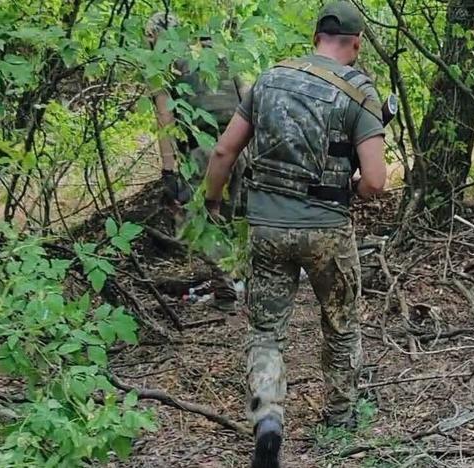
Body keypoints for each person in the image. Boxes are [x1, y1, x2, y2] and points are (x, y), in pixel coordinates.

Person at [203, 2, 386, 466]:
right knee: (341, 325)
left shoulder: (268, 79)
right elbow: (376, 181)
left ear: (315, 37)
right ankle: (341, 418)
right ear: (357, 43)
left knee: (266, 330)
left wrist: (213, 201)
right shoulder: (360, 93)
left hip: (266, 227)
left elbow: (224, 151)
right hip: (326, 230)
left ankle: (267, 416)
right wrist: (350, 187)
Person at [143, 12, 246, 226]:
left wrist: (168, 172)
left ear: (151, 35)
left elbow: (165, 115)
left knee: (199, 230)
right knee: (232, 225)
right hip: (239, 146)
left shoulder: (160, 65)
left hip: (204, 152)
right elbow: (246, 96)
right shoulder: (216, 53)